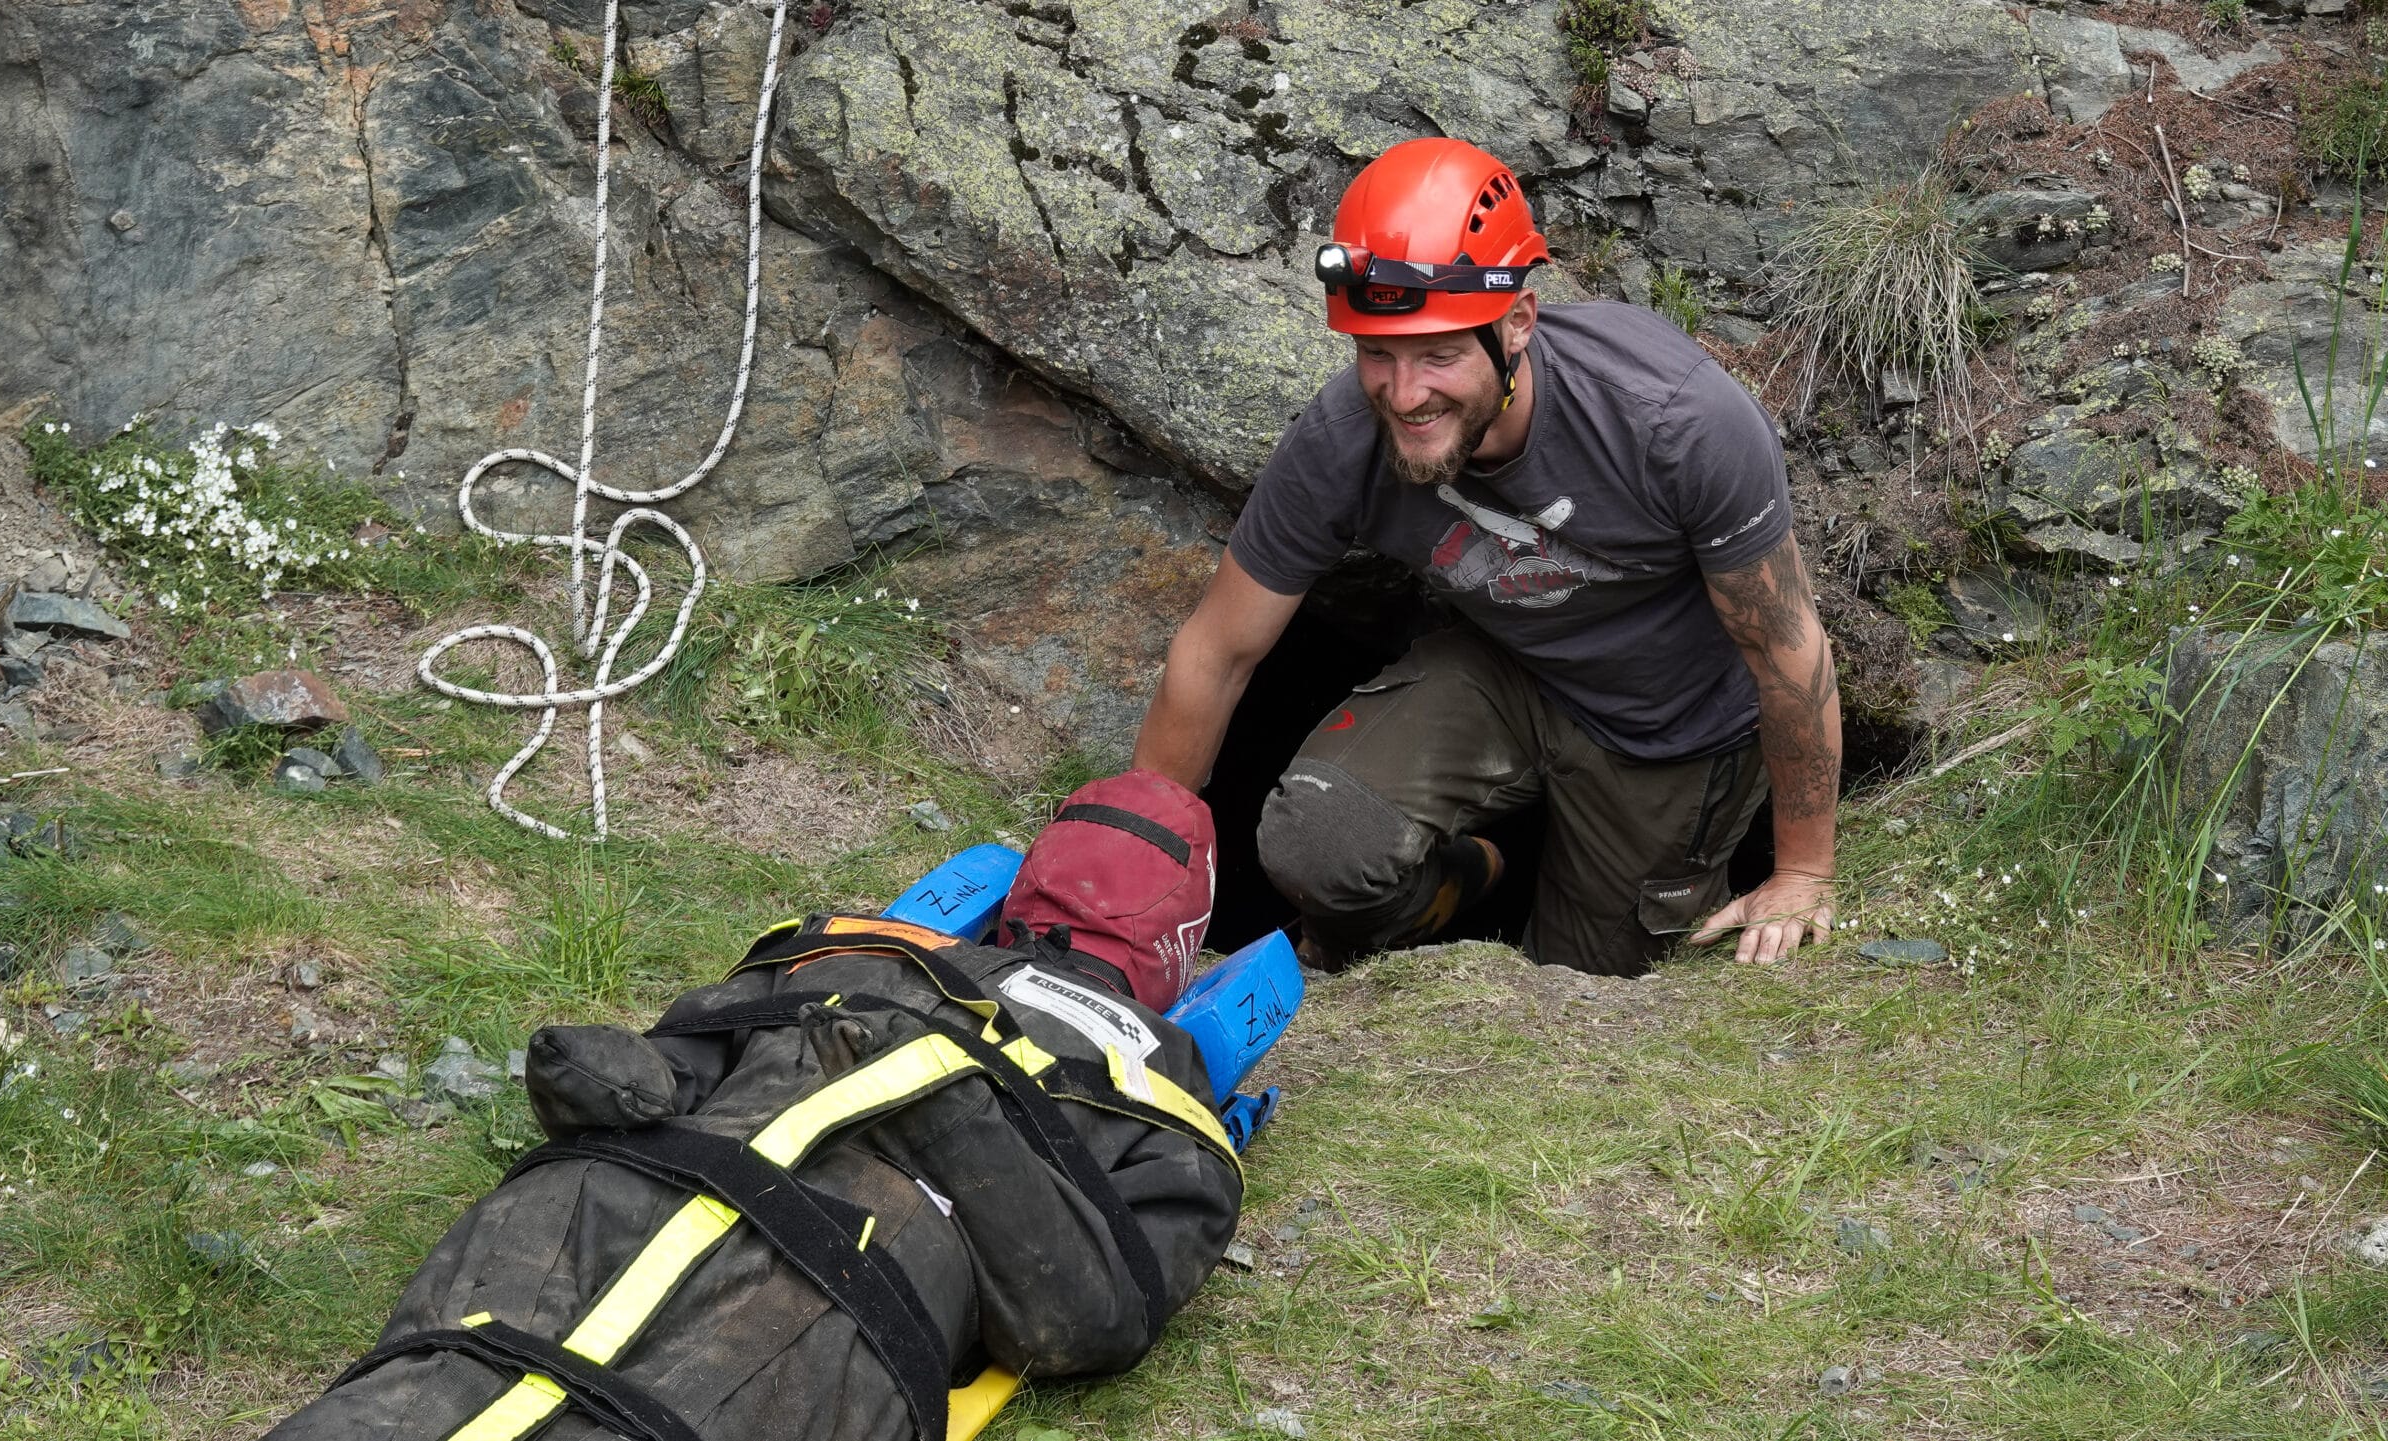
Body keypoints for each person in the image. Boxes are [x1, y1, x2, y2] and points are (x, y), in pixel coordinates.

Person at [264, 772, 1243, 1441]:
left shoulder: (843, 951)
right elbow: (1081, 1316)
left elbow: (669, 1067)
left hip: (650, 1190)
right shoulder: (1158, 1091)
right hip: (848, 1267)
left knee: (433, 1378)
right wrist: (952, 1114)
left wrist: (616, 1081)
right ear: (1181, 942)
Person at [1131, 137, 1839, 977]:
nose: (1404, 393)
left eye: (1439, 354)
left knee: (1587, 990)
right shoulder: (1345, 437)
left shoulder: (1675, 422)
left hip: (1670, 729)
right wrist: (1133, 860)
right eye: (1377, 354)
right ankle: (1467, 878)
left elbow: (1785, 649)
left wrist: (1801, 870)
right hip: (1507, 670)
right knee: (1316, 842)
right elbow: (1217, 651)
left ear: (1517, 324)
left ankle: (1535, 892)